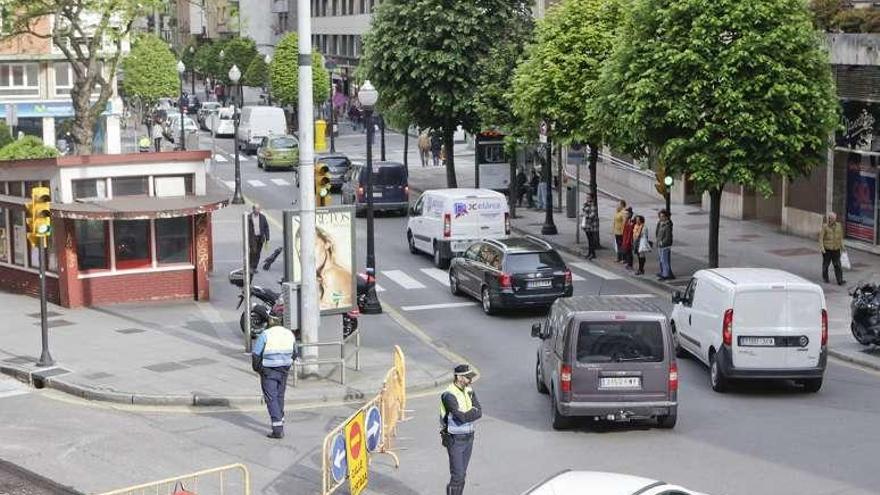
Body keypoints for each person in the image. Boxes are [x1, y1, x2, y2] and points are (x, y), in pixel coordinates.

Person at [251, 315, 296, 439]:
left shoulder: (265, 335)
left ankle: (277, 429)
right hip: (284, 370)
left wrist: (258, 369)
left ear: (269, 323)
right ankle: (280, 419)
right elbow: (295, 353)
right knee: (280, 396)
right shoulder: (289, 334)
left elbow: (256, 355)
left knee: (271, 398)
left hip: (269, 371)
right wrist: (287, 363)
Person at [440, 364, 482, 495]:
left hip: (469, 438)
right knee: (457, 476)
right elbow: (461, 418)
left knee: (462, 475)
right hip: (455, 440)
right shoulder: (449, 395)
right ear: (458, 377)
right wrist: (471, 413)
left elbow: (479, 412)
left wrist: (468, 414)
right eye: (467, 377)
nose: (470, 380)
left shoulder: (469, 390)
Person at [819, 212, 846, 285]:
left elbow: (840, 238)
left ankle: (840, 280)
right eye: (829, 218)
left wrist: (842, 246)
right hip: (827, 249)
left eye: (831, 218)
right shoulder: (825, 226)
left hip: (836, 249)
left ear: (835, 219)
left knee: (837, 265)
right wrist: (822, 248)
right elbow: (821, 238)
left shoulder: (839, 226)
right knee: (826, 264)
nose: (830, 220)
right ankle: (825, 278)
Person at [248, 205, 270, 273]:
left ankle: (254, 267)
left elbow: (266, 227)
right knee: (253, 251)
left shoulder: (262, 217)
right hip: (253, 237)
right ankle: (250, 266)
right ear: (253, 209)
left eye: (259, 209)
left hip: (260, 237)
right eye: (256, 209)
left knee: (258, 253)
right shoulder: (249, 217)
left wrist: (267, 237)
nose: (258, 211)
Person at [655, 209, 675, 280]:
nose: (661, 218)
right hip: (660, 245)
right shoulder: (660, 223)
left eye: (662, 216)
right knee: (661, 260)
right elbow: (657, 232)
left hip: (665, 246)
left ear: (666, 217)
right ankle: (663, 272)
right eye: (660, 216)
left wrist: (662, 242)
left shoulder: (668, 225)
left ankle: (666, 275)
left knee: (665, 260)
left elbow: (668, 237)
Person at [581, 194, 599, 260]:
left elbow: (592, 215)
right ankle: (590, 253)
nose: (587, 198)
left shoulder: (593, 205)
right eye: (587, 197)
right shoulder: (586, 204)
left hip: (591, 226)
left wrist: (587, 216)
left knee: (591, 240)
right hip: (587, 225)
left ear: (591, 198)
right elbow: (583, 210)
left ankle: (593, 254)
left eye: (588, 197)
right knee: (589, 240)